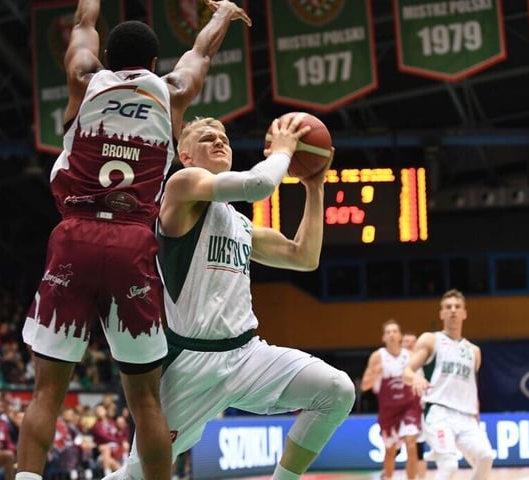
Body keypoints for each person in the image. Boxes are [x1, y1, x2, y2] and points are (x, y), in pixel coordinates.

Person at [18, 1, 251, 479]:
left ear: (106, 52)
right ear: (153, 63)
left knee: (47, 393)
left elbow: (82, 22)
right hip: (131, 244)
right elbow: (200, 53)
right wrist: (222, 15)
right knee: (144, 399)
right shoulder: (172, 92)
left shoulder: (84, 78)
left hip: (74, 238)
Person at [106, 115, 354, 480]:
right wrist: (285, 150)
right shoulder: (180, 186)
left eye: (224, 137)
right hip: (190, 363)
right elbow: (258, 184)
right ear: (185, 155)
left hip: (246, 354)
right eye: (208, 138)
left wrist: (314, 187)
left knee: (337, 391)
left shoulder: (238, 224)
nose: (220, 142)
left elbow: (304, 256)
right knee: (137, 475)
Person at [403, 289, 494, 480]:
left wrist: (476, 415)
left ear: (464, 313)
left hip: (466, 416)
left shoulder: (473, 351)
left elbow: (471, 388)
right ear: (441, 313)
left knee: (486, 456)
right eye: (448, 307)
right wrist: (416, 378)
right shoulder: (431, 340)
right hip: (439, 412)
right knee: (449, 466)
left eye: (457, 307)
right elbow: (407, 372)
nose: (453, 310)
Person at [360, 319, 422, 480]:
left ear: (400, 335)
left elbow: (419, 379)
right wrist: (375, 373)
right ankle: (387, 477)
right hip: (389, 411)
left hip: (409, 406)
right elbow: (364, 386)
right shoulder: (377, 357)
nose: (392, 335)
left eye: (395, 331)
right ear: (384, 338)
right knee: (390, 450)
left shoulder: (409, 356)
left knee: (411, 443)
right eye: (388, 332)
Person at [402, 331, 427, 479]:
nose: (409, 344)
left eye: (412, 341)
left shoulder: (423, 362)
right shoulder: (397, 362)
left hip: (418, 409)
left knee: (418, 448)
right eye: (406, 341)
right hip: (400, 410)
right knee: (397, 448)